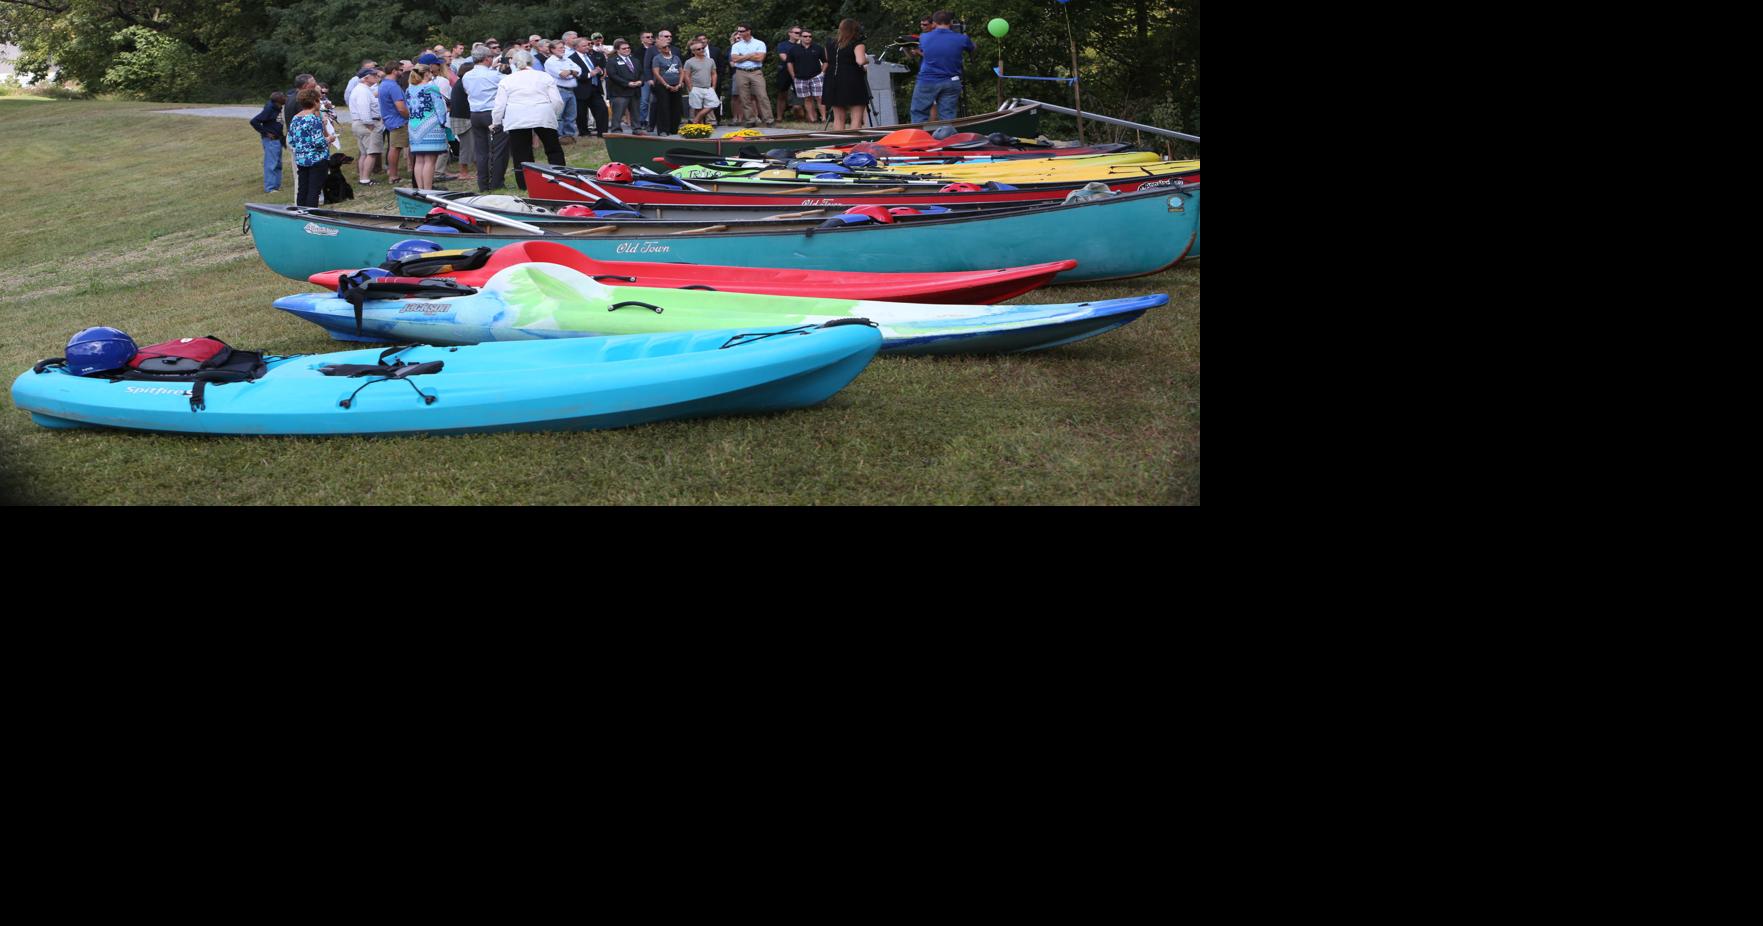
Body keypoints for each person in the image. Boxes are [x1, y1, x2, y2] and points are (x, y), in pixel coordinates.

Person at [491, 48, 565, 192]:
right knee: (553, 149)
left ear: (514, 63)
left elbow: (499, 106)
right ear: (532, 62)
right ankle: (560, 177)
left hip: (517, 116)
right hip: (542, 113)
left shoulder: (507, 80)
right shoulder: (544, 76)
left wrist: (496, 122)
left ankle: (525, 184)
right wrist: (553, 114)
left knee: (521, 153)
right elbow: (557, 101)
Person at [910, 10, 973, 124]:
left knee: (919, 114)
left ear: (934, 23)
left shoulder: (924, 37)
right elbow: (972, 48)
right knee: (948, 117)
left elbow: (926, 51)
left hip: (927, 81)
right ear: (951, 22)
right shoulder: (961, 38)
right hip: (951, 81)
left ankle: (919, 135)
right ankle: (947, 134)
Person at [464, 45, 508, 190]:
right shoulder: (493, 75)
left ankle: (482, 184)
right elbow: (509, 81)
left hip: (475, 113)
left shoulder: (467, 75)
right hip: (491, 112)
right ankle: (496, 183)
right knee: (499, 149)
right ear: (487, 58)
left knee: (481, 150)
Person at [405, 63, 450, 189]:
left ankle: (420, 189)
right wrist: (442, 122)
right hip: (430, 126)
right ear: (426, 74)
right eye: (430, 72)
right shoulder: (431, 88)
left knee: (419, 160)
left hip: (414, 127)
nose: (432, 74)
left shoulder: (409, 90)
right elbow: (440, 108)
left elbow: (409, 108)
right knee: (430, 160)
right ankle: (428, 189)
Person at [824, 19, 871, 130]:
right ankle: (853, 139)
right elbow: (860, 61)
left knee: (838, 118)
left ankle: (839, 139)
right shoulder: (857, 43)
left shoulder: (830, 43)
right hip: (852, 80)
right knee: (856, 117)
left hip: (833, 79)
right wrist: (867, 60)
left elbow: (827, 60)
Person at [288, 87, 331, 207]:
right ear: (315, 101)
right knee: (314, 191)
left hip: (301, 159)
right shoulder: (314, 119)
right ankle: (311, 214)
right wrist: (329, 139)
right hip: (317, 160)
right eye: (319, 100)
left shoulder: (296, 118)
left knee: (302, 190)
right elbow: (319, 142)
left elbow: (291, 140)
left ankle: (300, 212)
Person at [729, 23, 772, 127]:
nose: (739, 33)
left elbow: (760, 58)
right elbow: (734, 59)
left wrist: (742, 57)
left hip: (756, 72)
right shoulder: (736, 45)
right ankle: (750, 120)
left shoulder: (759, 43)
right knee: (744, 97)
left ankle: (769, 119)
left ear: (748, 31)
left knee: (762, 95)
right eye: (738, 31)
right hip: (741, 72)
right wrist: (750, 55)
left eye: (742, 31)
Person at [377, 59, 412, 184]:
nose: (402, 72)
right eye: (400, 70)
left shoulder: (383, 84)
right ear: (394, 71)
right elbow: (401, 108)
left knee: (394, 147)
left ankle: (393, 174)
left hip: (391, 120)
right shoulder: (393, 86)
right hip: (399, 121)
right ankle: (393, 176)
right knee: (395, 148)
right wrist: (410, 117)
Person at [783, 27, 827, 125]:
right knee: (807, 98)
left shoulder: (818, 48)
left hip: (816, 76)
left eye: (810, 36)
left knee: (820, 97)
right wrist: (793, 76)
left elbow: (825, 61)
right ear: (800, 37)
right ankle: (812, 119)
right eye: (805, 36)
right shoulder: (794, 49)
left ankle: (824, 118)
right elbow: (789, 63)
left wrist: (822, 73)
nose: (808, 38)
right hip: (800, 78)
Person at [346, 68, 383, 185]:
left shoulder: (362, 89)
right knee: (372, 153)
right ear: (366, 78)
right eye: (374, 75)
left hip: (360, 123)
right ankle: (366, 179)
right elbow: (364, 109)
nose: (376, 77)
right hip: (366, 124)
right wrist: (369, 125)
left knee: (364, 153)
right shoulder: (363, 91)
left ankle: (363, 178)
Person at [570, 36, 608, 137]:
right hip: (581, 89)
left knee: (602, 110)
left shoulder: (591, 56)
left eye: (587, 45)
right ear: (576, 47)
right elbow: (575, 74)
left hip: (595, 88)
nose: (587, 47)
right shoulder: (572, 59)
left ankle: (603, 134)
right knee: (581, 114)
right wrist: (589, 74)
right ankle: (584, 133)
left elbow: (597, 68)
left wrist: (600, 72)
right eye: (584, 46)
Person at [544, 40, 581, 144]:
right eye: (560, 48)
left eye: (563, 47)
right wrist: (572, 73)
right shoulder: (550, 62)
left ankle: (569, 136)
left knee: (571, 115)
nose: (563, 49)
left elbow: (579, 71)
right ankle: (559, 137)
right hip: (559, 90)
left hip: (571, 90)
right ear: (552, 50)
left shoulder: (567, 59)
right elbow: (562, 75)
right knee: (559, 115)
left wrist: (570, 72)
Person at [648, 30, 684, 136]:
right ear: (660, 49)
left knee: (676, 107)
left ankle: (674, 128)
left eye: (668, 47)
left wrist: (679, 84)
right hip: (662, 86)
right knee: (663, 107)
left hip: (676, 85)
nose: (667, 48)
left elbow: (681, 71)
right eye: (664, 47)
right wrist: (666, 85)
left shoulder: (676, 58)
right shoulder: (657, 58)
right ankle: (663, 130)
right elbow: (656, 73)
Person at [250, 91, 287, 192]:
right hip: (271, 140)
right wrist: (266, 133)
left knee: (278, 164)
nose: (285, 98)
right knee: (271, 164)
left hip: (278, 139)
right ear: (278, 100)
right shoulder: (269, 109)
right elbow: (254, 121)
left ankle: (276, 186)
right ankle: (270, 188)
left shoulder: (279, 108)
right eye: (283, 97)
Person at [606, 39, 643, 134]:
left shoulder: (635, 60)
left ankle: (637, 129)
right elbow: (613, 75)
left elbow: (641, 73)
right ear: (617, 50)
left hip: (635, 90)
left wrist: (641, 81)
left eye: (628, 48)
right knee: (618, 113)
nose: (627, 50)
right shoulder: (612, 61)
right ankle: (616, 130)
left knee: (635, 112)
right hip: (620, 91)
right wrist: (627, 83)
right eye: (624, 48)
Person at [448, 58, 477, 180]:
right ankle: (463, 173)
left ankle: (479, 169)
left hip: (458, 117)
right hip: (463, 119)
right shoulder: (465, 83)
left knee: (470, 145)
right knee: (467, 146)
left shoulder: (459, 83)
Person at [682, 40, 719, 126]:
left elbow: (714, 74)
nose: (702, 50)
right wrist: (690, 88)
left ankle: (696, 119)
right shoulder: (689, 62)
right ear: (693, 51)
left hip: (708, 87)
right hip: (695, 87)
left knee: (714, 103)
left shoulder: (710, 60)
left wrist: (713, 86)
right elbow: (686, 76)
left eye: (703, 48)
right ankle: (700, 127)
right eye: (699, 49)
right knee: (697, 108)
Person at [637, 30, 656, 131]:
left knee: (655, 100)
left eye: (651, 37)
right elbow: (639, 66)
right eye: (647, 37)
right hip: (645, 78)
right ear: (642, 39)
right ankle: (642, 120)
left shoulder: (657, 49)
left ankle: (652, 120)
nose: (650, 38)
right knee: (644, 100)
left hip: (657, 78)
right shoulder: (638, 51)